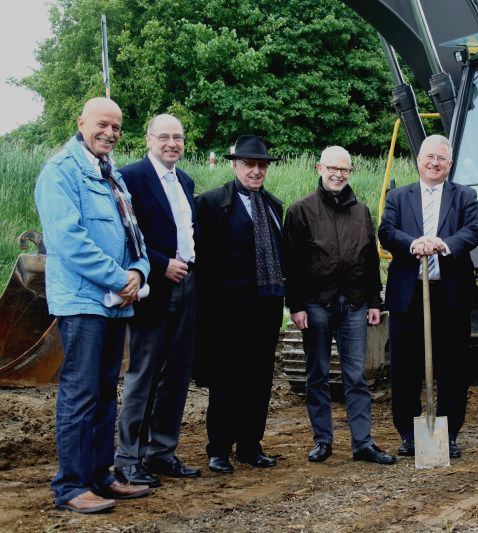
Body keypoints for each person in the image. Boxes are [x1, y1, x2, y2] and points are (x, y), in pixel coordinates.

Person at [34, 97, 151, 513]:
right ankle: (71, 485)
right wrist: (121, 278)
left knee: (105, 391)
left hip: (116, 303)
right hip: (83, 302)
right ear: (81, 122)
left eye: (117, 127)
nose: (110, 133)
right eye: (103, 124)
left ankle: (101, 476)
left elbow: (132, 233)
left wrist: (138, 272)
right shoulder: (61, 172)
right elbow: (69, 241)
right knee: (80, 393)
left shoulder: (112, 175)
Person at [284, 146, 395, 465]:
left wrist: (375, 300)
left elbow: (369, 258)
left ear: (351, 172)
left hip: (355, 305)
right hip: (316, 305)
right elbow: (291, 263)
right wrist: (296, 305)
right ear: (319, 167)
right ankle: (323, 440)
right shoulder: (300, 211)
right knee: (317, 374)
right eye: (332, 168)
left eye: (344, 170)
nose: (338, 174)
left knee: (356, 376)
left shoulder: (361, 211)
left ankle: (363, 442)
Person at [378, 134, 478, 459]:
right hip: (409, 296)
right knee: (406, 369)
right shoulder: (398, 196)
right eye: (429, 157)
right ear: (418, 160)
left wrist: (443, 244)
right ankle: (409, 434)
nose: (434, 163)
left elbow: (474, 230)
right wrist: (413, 244)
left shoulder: (464, 196)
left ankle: (448, 435)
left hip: (450, 294)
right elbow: (386, 231)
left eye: (441, 158)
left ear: (449, 165)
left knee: (452, 368)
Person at [114, 114, 200, 486]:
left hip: (187, 285)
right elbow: (126, 234)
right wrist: (161, 264)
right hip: (153, 287)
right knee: (144, 375)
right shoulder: (130, 177)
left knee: (177, 375)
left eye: (177, 138)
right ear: (148, 139)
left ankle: (162, 450)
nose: (171, 144)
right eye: (163, 137)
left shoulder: (185, 180)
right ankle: (128, 458)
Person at [195, 135, 285, 474]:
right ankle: (218, 448)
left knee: (258, 381)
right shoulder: (213, 203)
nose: (256, 171)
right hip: (227, 312)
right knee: (226, 381)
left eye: (261, 165)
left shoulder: (274, 206)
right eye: (249, 164)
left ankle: (250, 445)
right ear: (235, 165)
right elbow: (202, 262)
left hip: (266, 308)